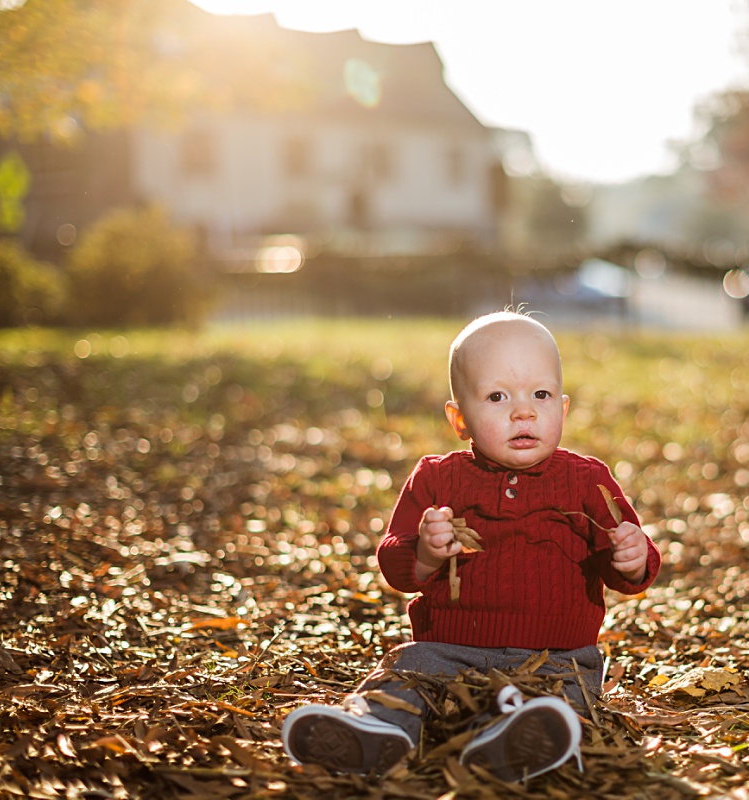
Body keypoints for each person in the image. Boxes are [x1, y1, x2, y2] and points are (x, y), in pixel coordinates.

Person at [282, 311, 661, 781]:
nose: (523, 411)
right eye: (497, 396)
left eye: (539, 395)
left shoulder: (587, 480)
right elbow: (396, 565)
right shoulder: (437, 479)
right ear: (459, 419)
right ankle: (373, 732)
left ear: (561, 410)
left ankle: (511, 741)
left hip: (559, 656)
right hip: (448, 648)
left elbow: (628, 566)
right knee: (406, 672)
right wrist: (424, 553)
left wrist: (631, 556)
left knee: (562, 704)